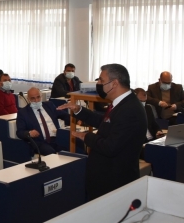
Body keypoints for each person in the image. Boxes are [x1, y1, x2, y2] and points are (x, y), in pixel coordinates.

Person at [58, 64, 147, 200]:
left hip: (114, 182)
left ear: (114, 83)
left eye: (101, 80)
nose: (98, 83)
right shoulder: (122, 103)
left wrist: (87, 137)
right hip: (107, 179)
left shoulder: (129, 110)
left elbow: (110, 147)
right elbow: (105, 122)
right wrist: (79, 110)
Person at [16, 87, 68, 156]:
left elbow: (64, 115)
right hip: (40, 142)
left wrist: (77, 119)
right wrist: (29, 133)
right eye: (33, 98)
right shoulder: (23, 113)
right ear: (28, 99)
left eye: (38, 97)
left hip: (57, 139)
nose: (36, 100)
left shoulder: (49, 105)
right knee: (51, 153)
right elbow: (19, 132)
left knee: (71, 148)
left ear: (41, 96)